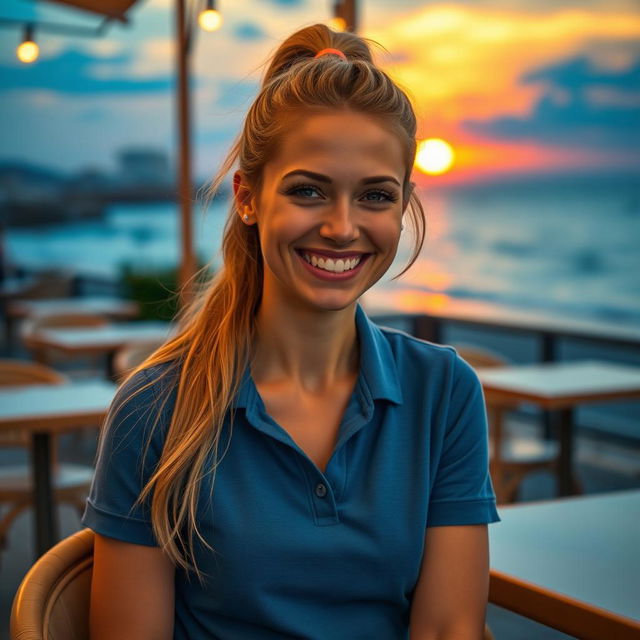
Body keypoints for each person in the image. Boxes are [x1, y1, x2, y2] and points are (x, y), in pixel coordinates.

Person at [83, 23, 500, 640]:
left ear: (404, 205)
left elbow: (447, 630)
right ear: (248, 198)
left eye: (375, 197)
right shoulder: (156, 408)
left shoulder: (445, 393)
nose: (341, 227)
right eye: (309, 190)